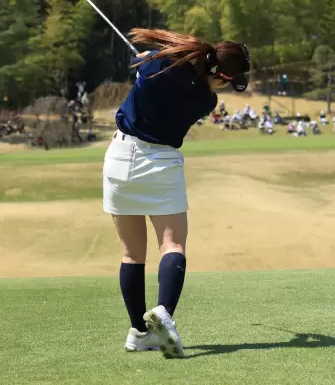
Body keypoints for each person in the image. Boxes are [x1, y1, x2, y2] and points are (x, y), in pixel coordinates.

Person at [104, 28, 250, 358]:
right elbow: (168, 77)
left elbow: (137, 62)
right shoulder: (206, 99)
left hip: (119, 158)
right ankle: (164, 314)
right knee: (172, 244)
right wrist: (149, 63)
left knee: (131, 253)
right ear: (222, 78)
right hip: (160, 163)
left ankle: (139, 333)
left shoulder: (160, 66)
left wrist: (146, 60)